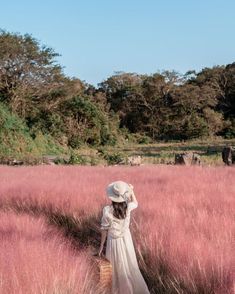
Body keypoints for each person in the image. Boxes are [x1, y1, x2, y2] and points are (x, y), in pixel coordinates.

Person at [98, 181, 150, 294]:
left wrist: (101, 246)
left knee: (115, 267)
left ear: (112, 196)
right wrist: (131, 191)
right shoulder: (128, 207)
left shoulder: (107, 210)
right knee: (129, 264)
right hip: (126, 240)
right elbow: (135, 202)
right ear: (123, 195)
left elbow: (104, 230)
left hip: (113, 242)